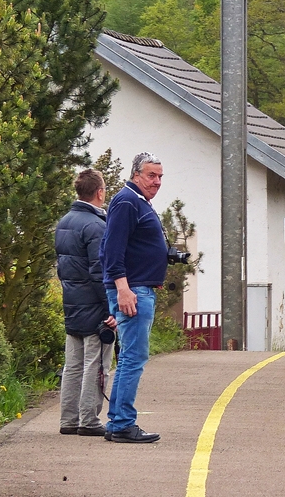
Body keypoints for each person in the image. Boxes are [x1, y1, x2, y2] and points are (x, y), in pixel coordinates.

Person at [100, 152, 168, 444]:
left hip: (140, 285)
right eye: (151, 175)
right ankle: (123, 424)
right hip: (132, 290)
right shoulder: (127, 201)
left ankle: (118, 420)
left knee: (130, 357)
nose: (157, 182)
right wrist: (123, 288)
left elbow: (135, 246)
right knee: (133, 358)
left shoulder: (136, 201)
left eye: (160, 176)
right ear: (136, 174)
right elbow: (112, 249)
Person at [55, 168, 117, 437]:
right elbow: (99, 271)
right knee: (97, 363)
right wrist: (110, 309)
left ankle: (68, 419)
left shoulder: (64, 222)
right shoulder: (96, 226)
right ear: (100, 192)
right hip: (94, 305)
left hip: (72, 302)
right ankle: (89, 420)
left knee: (73, 364)